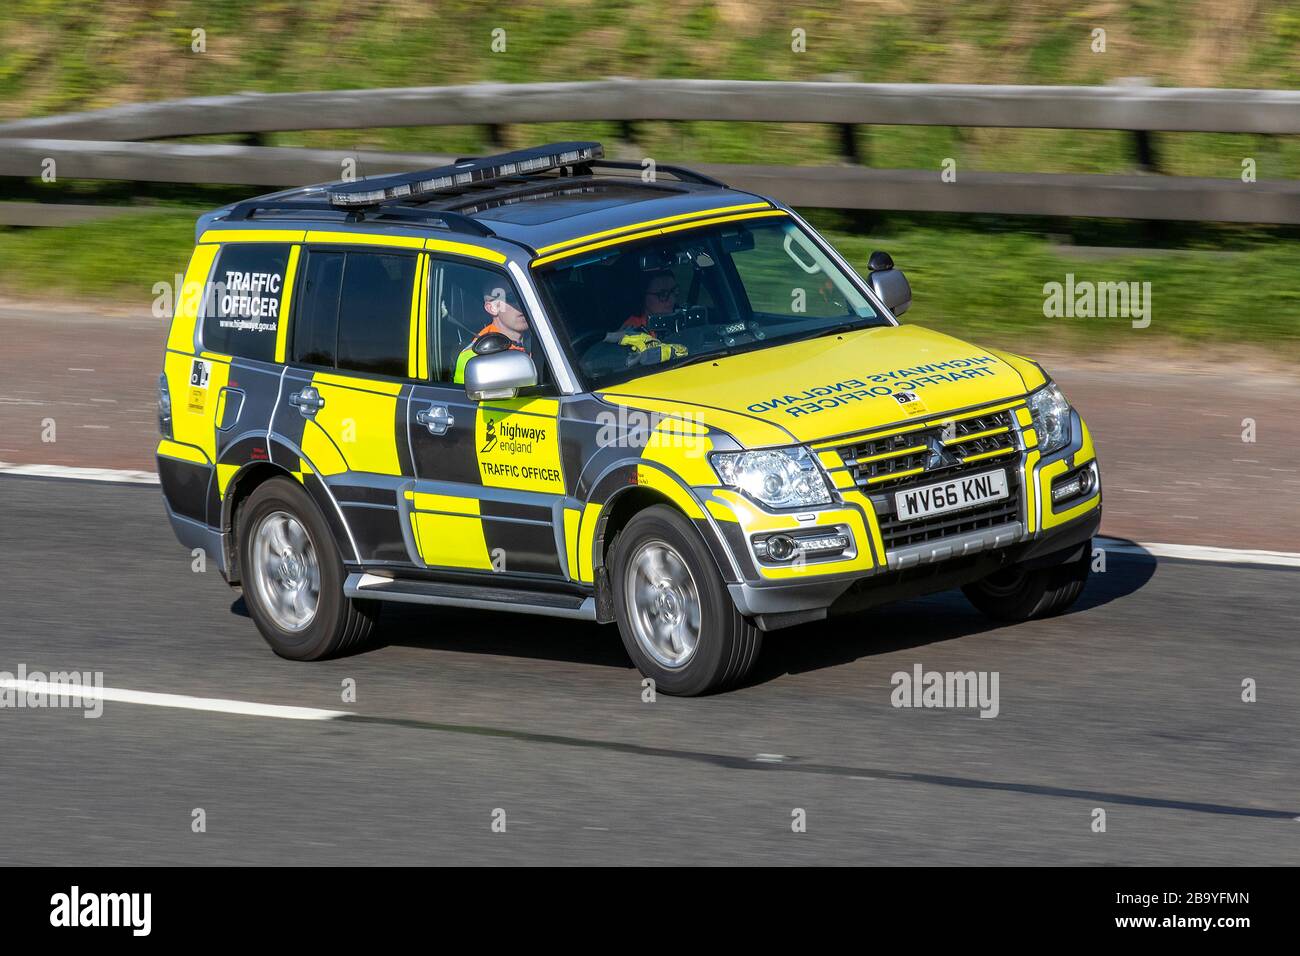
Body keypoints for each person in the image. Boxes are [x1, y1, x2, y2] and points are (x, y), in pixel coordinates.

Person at [453, 281, 531, 384]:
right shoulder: (473, 357)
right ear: (492, 308)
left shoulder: (544, 336)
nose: (522, 304)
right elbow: (463, 398)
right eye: (512, 298)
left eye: (525, 296)